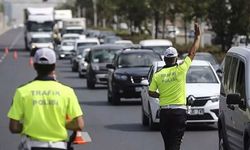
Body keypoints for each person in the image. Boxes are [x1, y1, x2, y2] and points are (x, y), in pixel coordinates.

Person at [7, 48, 84, 150]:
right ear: (54, 66)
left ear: (34, 66)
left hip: (31, 146)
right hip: (59, 146)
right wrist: (58, 123)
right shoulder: (67, 92)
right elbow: (79, 125)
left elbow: (14, 127)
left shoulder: (22, 91)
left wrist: (29, 126)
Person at [148, 23, 201, 150]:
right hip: (179, 113)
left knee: (168, 144)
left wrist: (161, 95)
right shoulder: (181, 69)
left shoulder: (158, 74)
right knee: (175, 144)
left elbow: (150, 92)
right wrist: (197, 37)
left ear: (164, 59)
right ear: (176, 58)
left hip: (165, 113)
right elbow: (192, 53)